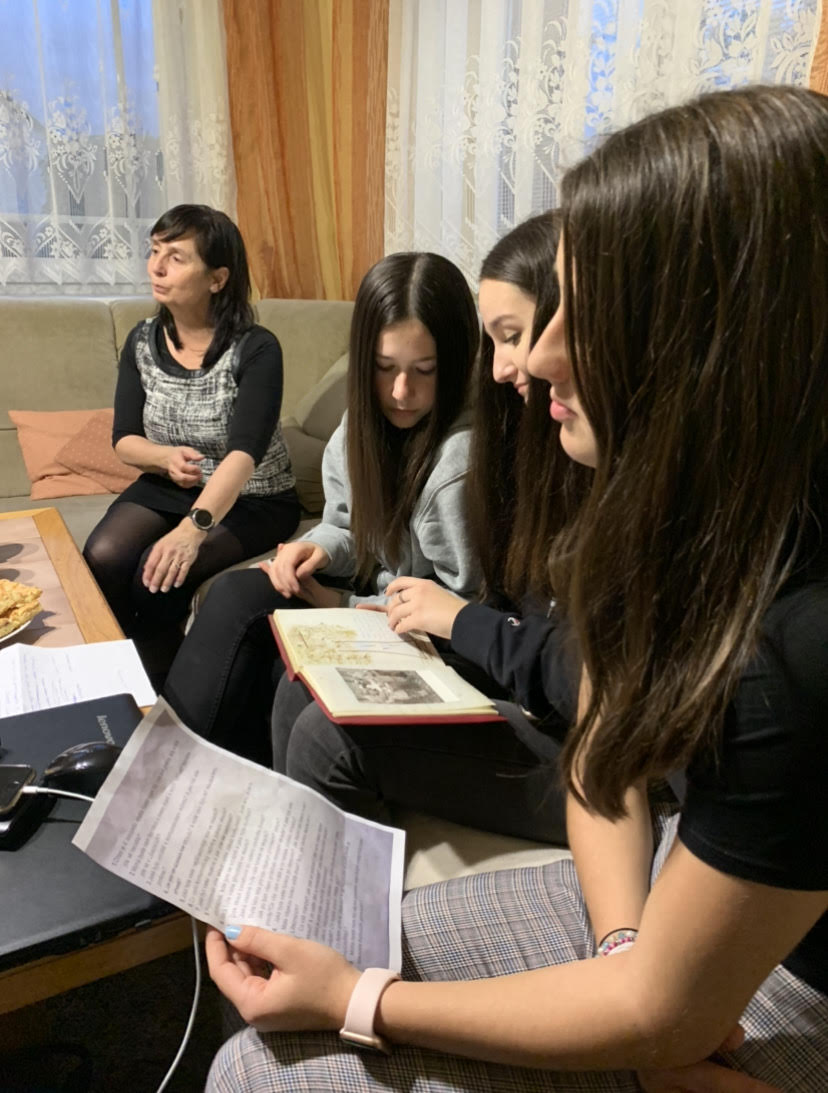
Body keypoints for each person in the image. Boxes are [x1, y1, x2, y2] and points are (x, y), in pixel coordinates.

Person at [204, 85, 828, 1092]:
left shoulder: (791, 644)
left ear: (723, 339)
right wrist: (625, 945)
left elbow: (662, 1014)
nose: (535, 357)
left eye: (590, 313)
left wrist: (358, 1000)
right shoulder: (692, 531)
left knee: (255, 1072)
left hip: (789, 980)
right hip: (678, 887)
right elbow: (605, 745)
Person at [269, 213, 582, 843]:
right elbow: (348, 526)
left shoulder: (472, 459)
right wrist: (318, 549)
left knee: (328, 735)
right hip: (514, 665)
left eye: (514, 337)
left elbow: (561, 669)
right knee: (293, 681)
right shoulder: (545, 440)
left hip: (552, 717)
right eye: (497, 341)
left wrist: (360, 608)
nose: (504, 368)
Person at [162, 251, 481, 762]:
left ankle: (167, 767)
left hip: (423, 635)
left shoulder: (456, 467)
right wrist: (319, 550)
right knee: (240, 593)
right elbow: (348, 525)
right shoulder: (363, 424)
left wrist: (340, 605)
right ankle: (174, 765)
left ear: (458, 362)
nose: (401, 392)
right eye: (383, 368)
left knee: (270, 653)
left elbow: (461, 617)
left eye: (425, 370)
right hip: (373, 600)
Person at [83, 204, 299, 664]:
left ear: (217, 279)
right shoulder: (141, 341)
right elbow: (124, 439)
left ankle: (164, 685)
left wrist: (193, 528)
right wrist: (162, 458)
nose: (156, 267)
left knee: (158, 575)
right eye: (154, 251)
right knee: (102, 554)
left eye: (176, 257)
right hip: (172, 485)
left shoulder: (257, 348)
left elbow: (244, 455)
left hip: (254, 498)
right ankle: (117, 667)